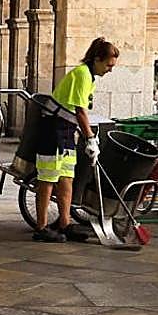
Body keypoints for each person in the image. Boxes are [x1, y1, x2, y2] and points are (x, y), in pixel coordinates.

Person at [32, 38, 119, 243]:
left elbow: (79, 111)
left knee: (66, 178)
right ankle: (41, 227)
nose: (110, 70)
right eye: (108, 64)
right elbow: (80, 111)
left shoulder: (90, 77)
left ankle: (65, 222)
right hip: (52, 130)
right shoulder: (81, 74)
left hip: (66, 131)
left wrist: (88, 135)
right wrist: (90, 138)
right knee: (47, 179)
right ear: (97, 59)